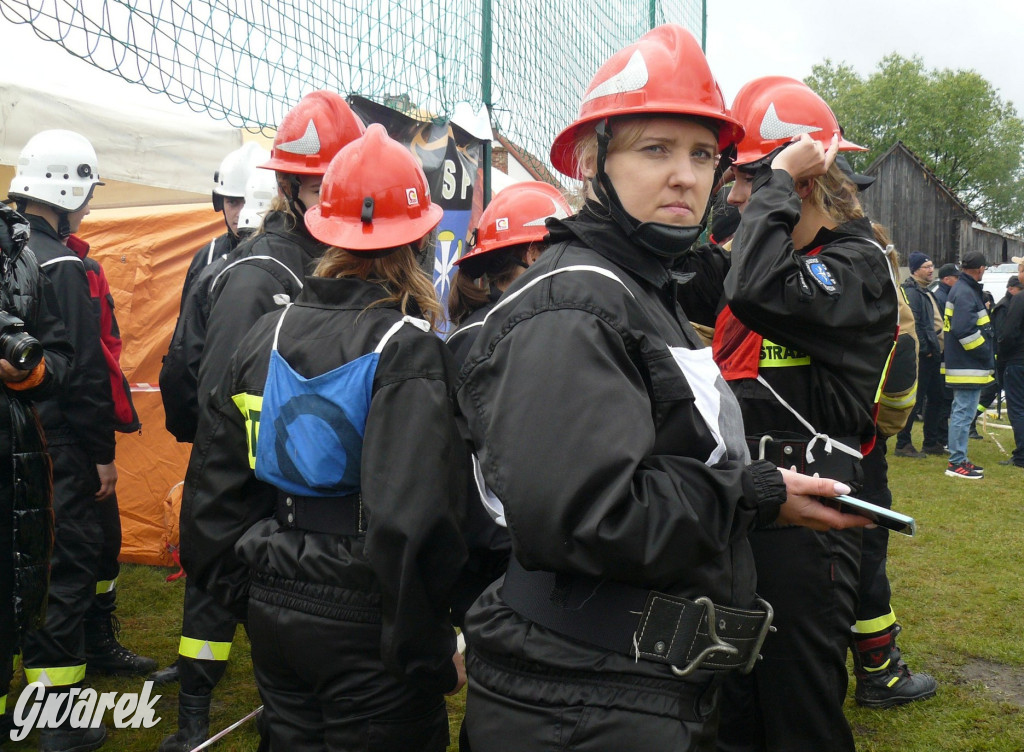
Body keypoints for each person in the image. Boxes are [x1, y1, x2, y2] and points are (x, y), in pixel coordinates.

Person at [456, 28, 870, 752]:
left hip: (631, 685)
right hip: (579, 702)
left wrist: (757, 496)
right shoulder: (574, 304)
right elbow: (590, 514)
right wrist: (752, 495)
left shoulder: (639, 290)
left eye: (703, 155)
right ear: (594, 164)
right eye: (656, 149)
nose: (686, 176)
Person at [180, 123, 467, 750]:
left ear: (319, 226)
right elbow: (415, 522)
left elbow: (213, 488)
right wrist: (429, 650)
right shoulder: (408, 350)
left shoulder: (268, 333)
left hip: (274, 601)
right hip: (368, 621)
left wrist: (250, 591)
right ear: (420, 240)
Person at [156, 90, 365, 752]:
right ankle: (192, 722)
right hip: (251, 515)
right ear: (299, 187)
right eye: (333, 187)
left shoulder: (302, 261)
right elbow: (224, 410)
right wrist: (229, 537)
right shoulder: (263, 274)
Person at [714, 76, 899, 752]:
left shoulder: (858, 266)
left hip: (809, 529)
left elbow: (759, 287)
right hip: (748, 507)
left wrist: (777, 183)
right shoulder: (782, 257)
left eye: (751, 181)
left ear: (802, 182)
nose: (736, 199)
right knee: (731, 704)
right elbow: (692, 276)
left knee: (797, 713)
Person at [8, 129, 119, 752]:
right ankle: (60, 723)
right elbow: (85, 375)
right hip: (55, 450)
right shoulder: (64, 267)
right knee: (63, 568)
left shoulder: (6, 255)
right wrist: (102, 456)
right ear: (69, 189)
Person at [60, 232, 151, 678]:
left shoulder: (85, 266)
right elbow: (92, 361)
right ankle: (73, 648)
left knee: (101, 543)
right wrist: (102, 449)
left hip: (63, 430)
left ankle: (92, 641)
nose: (91, 208)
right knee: (79, 549)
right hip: (66, 436)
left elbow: (107, 352)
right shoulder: (69, 268)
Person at [0, 205, 73, 736]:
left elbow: (60, 355)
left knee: (12, 597)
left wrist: (33, 373)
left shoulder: (20, 257)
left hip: (14, 457)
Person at [160, 143, 269, 440]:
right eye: (233, 201)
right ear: (219, 202)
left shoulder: (288, 258)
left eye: (249, 201)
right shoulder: (206, 258)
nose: (240, 212)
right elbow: (186, 344)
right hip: (213, 412)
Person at [446, 180, 570, 364]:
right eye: (562, 250)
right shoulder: (483, 337)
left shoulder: (475, 334)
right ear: (533, 255)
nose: (570, 261)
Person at [943, 251, 994, 479]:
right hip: (968, 364)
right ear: (980, 268)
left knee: (963, 412)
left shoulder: (964, 289)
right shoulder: (965, 292)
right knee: (963, 414)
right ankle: (956, 464)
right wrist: (985, 353)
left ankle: (960, 458)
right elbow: (964, 329)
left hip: (966, 363)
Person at [895, 251, 946, 457]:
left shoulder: (926, 291)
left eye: (932, 266)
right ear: (915, 269)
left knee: (937, 398)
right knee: (915, 401)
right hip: (923, 356)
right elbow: (913, 323)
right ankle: (903, 444)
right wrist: (925, 350)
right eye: (926, 266)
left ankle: (931, 442)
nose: (931, 269)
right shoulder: (913, 292)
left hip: (933, 354)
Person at [997, 275, 1024, 468]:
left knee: (1018, 409)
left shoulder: (1019, 299)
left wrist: (1002, 355)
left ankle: (1022, 456)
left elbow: (1008, 333)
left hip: (1018, 360)